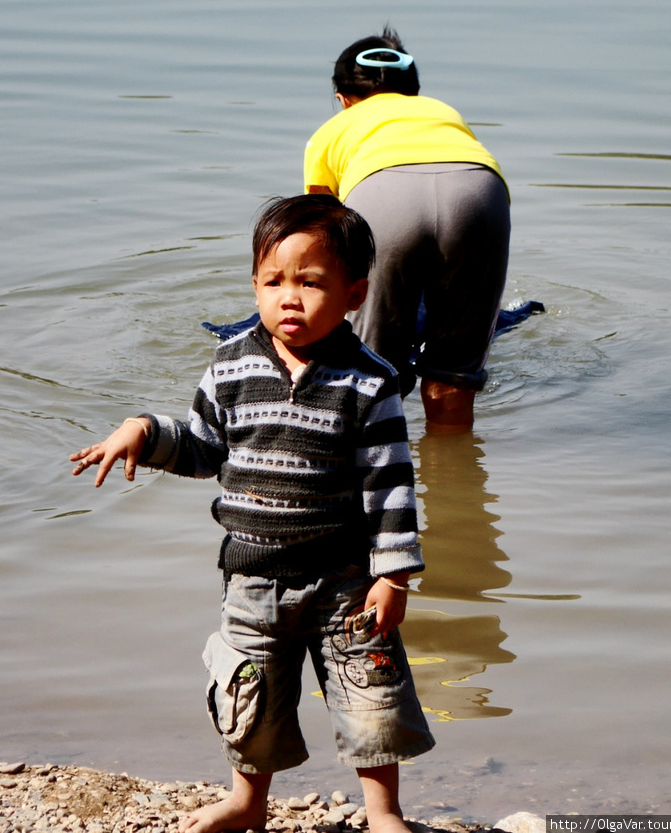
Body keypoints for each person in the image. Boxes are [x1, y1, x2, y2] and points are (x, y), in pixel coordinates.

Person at [70, 193, 435, 833]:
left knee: (370, 697)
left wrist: (394, 574)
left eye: (311, 282)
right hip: (250, 578)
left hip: (346, 580)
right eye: (273, 281)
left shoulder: (370, 381)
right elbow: (205, 448)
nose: (288, 298)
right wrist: (146, 433)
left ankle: (384, 813)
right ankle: (247, 802)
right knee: (249, 695)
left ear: (355, 294)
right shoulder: (230, 365)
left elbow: (390, 483)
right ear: (254, 285)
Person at [304, 27, 511, 431]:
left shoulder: (331, 132)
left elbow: (320, 236)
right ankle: (453, 482)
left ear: (342, 100)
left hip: (382, 194)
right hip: (479, 190)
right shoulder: (443, 112)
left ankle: (365, 476)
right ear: (413, 93)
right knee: (454, 371)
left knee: (370, 370)